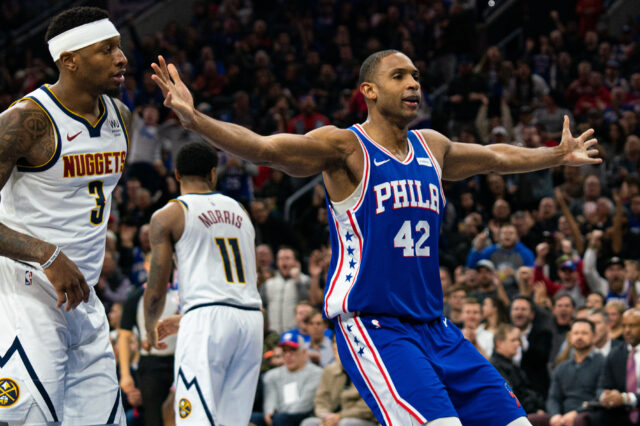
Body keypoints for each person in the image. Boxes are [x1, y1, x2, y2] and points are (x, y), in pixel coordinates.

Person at [152, 49, 600, 426]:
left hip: (436, 328)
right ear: (368, 90)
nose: (413, 84)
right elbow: (265, 147)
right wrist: (197, 121)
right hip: (375, 327)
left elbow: (496, 157)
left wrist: (556, 154)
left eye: (417, 77)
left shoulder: (433, 146)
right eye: (399, 76)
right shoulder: (344, 147)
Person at [0, 6, 128, 425]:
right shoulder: (26, 120)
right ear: (69, 59)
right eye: (106, 49)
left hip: (83, 298)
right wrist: (49, 255)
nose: (121, 57)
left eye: (119, 48)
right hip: (25, 291)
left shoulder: (120, 118)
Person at [143, 143, 263, 425]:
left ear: (176, 175)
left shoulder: (169, 215)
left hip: (207, 320)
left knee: (193, 418)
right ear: (213, 173)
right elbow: (230, 281)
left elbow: (157, 286)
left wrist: (150, 322)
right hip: (251, 320)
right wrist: (186, 319)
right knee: (231, 421)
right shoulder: (241, 211)